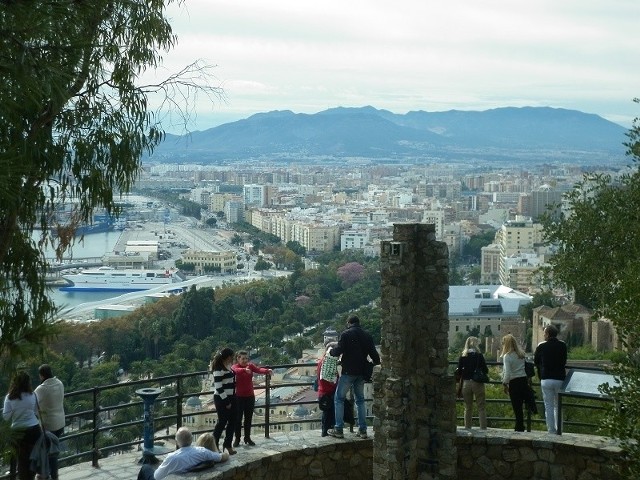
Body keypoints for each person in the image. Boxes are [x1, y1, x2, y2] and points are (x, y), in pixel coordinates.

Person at [327, 314, 380, 439]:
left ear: (349, 323)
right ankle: (362, 430)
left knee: (339, 398)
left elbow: (339, 350)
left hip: (348, 372)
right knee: (360, 400)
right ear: (358, 323)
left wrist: (331, 351)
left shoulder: (346, 334)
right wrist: (374, 364)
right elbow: (374, 355)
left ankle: (339, 428)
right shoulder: (367, 335)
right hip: (361, 372)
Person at [137, 427, 229, 480]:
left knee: (145, 467)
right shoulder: (202, 451)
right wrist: (227, 453)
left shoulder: (172, 457)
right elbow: (221, 457)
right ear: (191, 440)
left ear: (177, 442)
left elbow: (157, 477)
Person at [3, 371, 41, 480]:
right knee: (32, 459)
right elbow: (36, 411)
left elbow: (6, 417)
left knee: (21, 461)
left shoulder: (9, 397)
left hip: (18, 433)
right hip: (34, 430)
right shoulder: (33, 395)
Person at [231, 350, 272, 447]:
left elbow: (258, 370)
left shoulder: (250, 366)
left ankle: (247, 437)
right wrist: (244, 370)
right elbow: (235, 371)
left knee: (248, 418)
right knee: (238, 419)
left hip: (250, 396)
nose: (245, 360)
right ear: (238, 359)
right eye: (243, 358)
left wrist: (267, 371)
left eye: (246, 358)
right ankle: (237, 438)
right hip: (238, 397)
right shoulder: (235, 367)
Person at [534, 324, 567, 434]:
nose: (543, 335)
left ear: (547, 334)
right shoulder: (563, 345)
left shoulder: (541, 346)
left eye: (544, 333)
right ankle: (560, 430)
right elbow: (564, 361)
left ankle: (551, 430)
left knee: (548, 405)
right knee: (558, 405)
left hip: (546, 378)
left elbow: (536, 361)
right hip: (559, 378)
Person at [34, 364, 65, 480]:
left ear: (41, 375)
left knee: (48, 453)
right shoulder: (60, 383)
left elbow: (33, 404)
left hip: (49, 425)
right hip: (60, 423)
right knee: (52, 451)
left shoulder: (42, 389)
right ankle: (52, 475)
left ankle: (47, 475)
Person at [457, 336, 488, 430]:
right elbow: (485, 370)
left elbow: (458, 372)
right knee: (481, 407)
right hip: (477, 383)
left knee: (468, 407)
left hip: (466, 383)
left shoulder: (463, 356)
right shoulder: (479, 356)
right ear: (476, 345)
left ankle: (467, 428)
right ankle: (483, 428)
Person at [211, 348, 237, 454]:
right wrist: (227, 402)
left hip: (231, 396)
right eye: (232, 356)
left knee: (232, 422)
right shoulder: (218, 369)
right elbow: (219, 387)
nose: (233, 358)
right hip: (222, 399)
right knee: (222, 422)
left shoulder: (227, 366)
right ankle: (214, 445)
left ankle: (227, 444)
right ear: (228, 357)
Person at [501, 334, 529, 432]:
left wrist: (505, 383)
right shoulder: (521, 354)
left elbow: (507, 372)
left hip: (514, 382)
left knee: (516, 406)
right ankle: (521, 426)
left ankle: (519, 427)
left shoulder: (507, 356)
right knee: (521, 405)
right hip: (523, 381)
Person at [317, 341, 339, 437]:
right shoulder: (327, 363)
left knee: (327, 414)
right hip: (328, 391)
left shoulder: (322, 361)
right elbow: (329, 379)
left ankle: (325, 432)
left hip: (324, 391)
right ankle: (326, 432)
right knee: (328, 414)